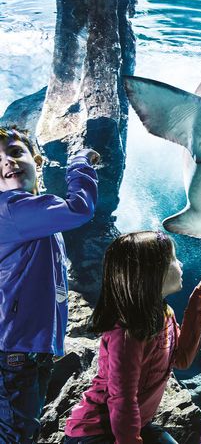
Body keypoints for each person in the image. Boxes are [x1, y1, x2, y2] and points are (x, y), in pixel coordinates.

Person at [64, 231, 201, 444]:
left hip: (135, 425)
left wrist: (195, 311)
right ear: (152, 271)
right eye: (172, 258)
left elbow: (181, 359)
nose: (180, 263)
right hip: (96, 432)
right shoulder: (127, 331)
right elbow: (122, 398)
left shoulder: (164, 314)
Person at [0, 126, 99, 444]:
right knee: (16, 433)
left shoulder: (34, 214)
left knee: (21, 429)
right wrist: (80, 163)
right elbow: (80, 209)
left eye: (15, 152)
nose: (7, 162)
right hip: (14, 348)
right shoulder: (12, 209)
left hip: (28, 349)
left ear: (37, 160)